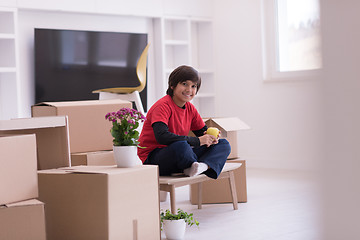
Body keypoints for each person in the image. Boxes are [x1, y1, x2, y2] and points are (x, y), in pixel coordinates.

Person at [137, 65, 231, 179]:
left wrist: (211, 138)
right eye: (184, 84)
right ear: (172, 85)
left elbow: (202, 133)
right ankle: (192, 165)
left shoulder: (190, 108)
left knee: (224, 144)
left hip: (180, 156)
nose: (189, 90)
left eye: (193, 86)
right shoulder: (162, 106)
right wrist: (197, 141)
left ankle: (202, 166)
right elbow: (162, 137)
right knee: (181, 146)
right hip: (154, 158)